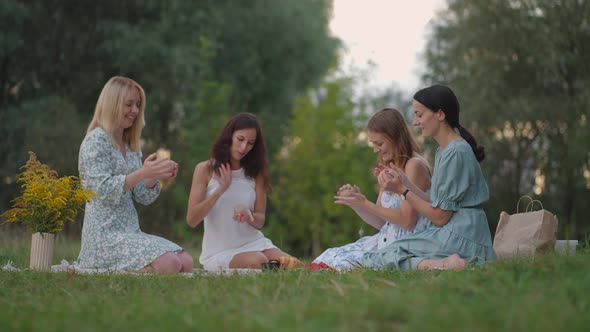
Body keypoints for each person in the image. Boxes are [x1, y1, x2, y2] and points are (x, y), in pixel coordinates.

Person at [361, 84, 496, 271]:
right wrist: (404, 183)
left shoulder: (456, 152)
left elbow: (440, 217)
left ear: (440, 115)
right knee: (381, 254)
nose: (415, 122)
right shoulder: (444, 150)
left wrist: (403, 191)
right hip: (457, 232)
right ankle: (442, 263)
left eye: (419, 115)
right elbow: (437, 201)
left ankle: (444, 265)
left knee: (380, 257)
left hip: (463, 236)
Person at [76, 76, 193, 274]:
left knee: (186, 261)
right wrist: (142, 173)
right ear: (112, 104)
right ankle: (126, 273)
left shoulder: (131, 146)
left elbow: (142, 197)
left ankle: (142, 269)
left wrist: (152, 175)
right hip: (103, 239)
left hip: (129, 233)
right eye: (129, 104)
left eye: (138, 105)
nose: (135, 111)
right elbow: (102, 190)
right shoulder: (95, 141)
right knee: (170, 264)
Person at [309, 108, 433, 271]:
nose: (375, 149)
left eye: (379, 143)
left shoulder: (414, 165)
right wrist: (357, 203)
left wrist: (366, 203)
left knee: (339, 266)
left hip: (407, 247)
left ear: (395, 137)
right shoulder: (392, 167)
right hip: (385, 241)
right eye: (373, 143)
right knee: (326, 258)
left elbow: (407, 221)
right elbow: (382, 223)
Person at [186, 112, 302, 271]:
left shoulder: (256, 174)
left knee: (293, 264)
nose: (243, 147)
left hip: (254, 242)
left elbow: (260, 220)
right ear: (229, 136)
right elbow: (192, 219)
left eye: (250, 143)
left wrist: (249, 216)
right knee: (259, 260)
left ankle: (275, 271)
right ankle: (271, 271)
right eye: (240, 139)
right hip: (220, 251)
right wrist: (220, 190)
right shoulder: (204, 169)